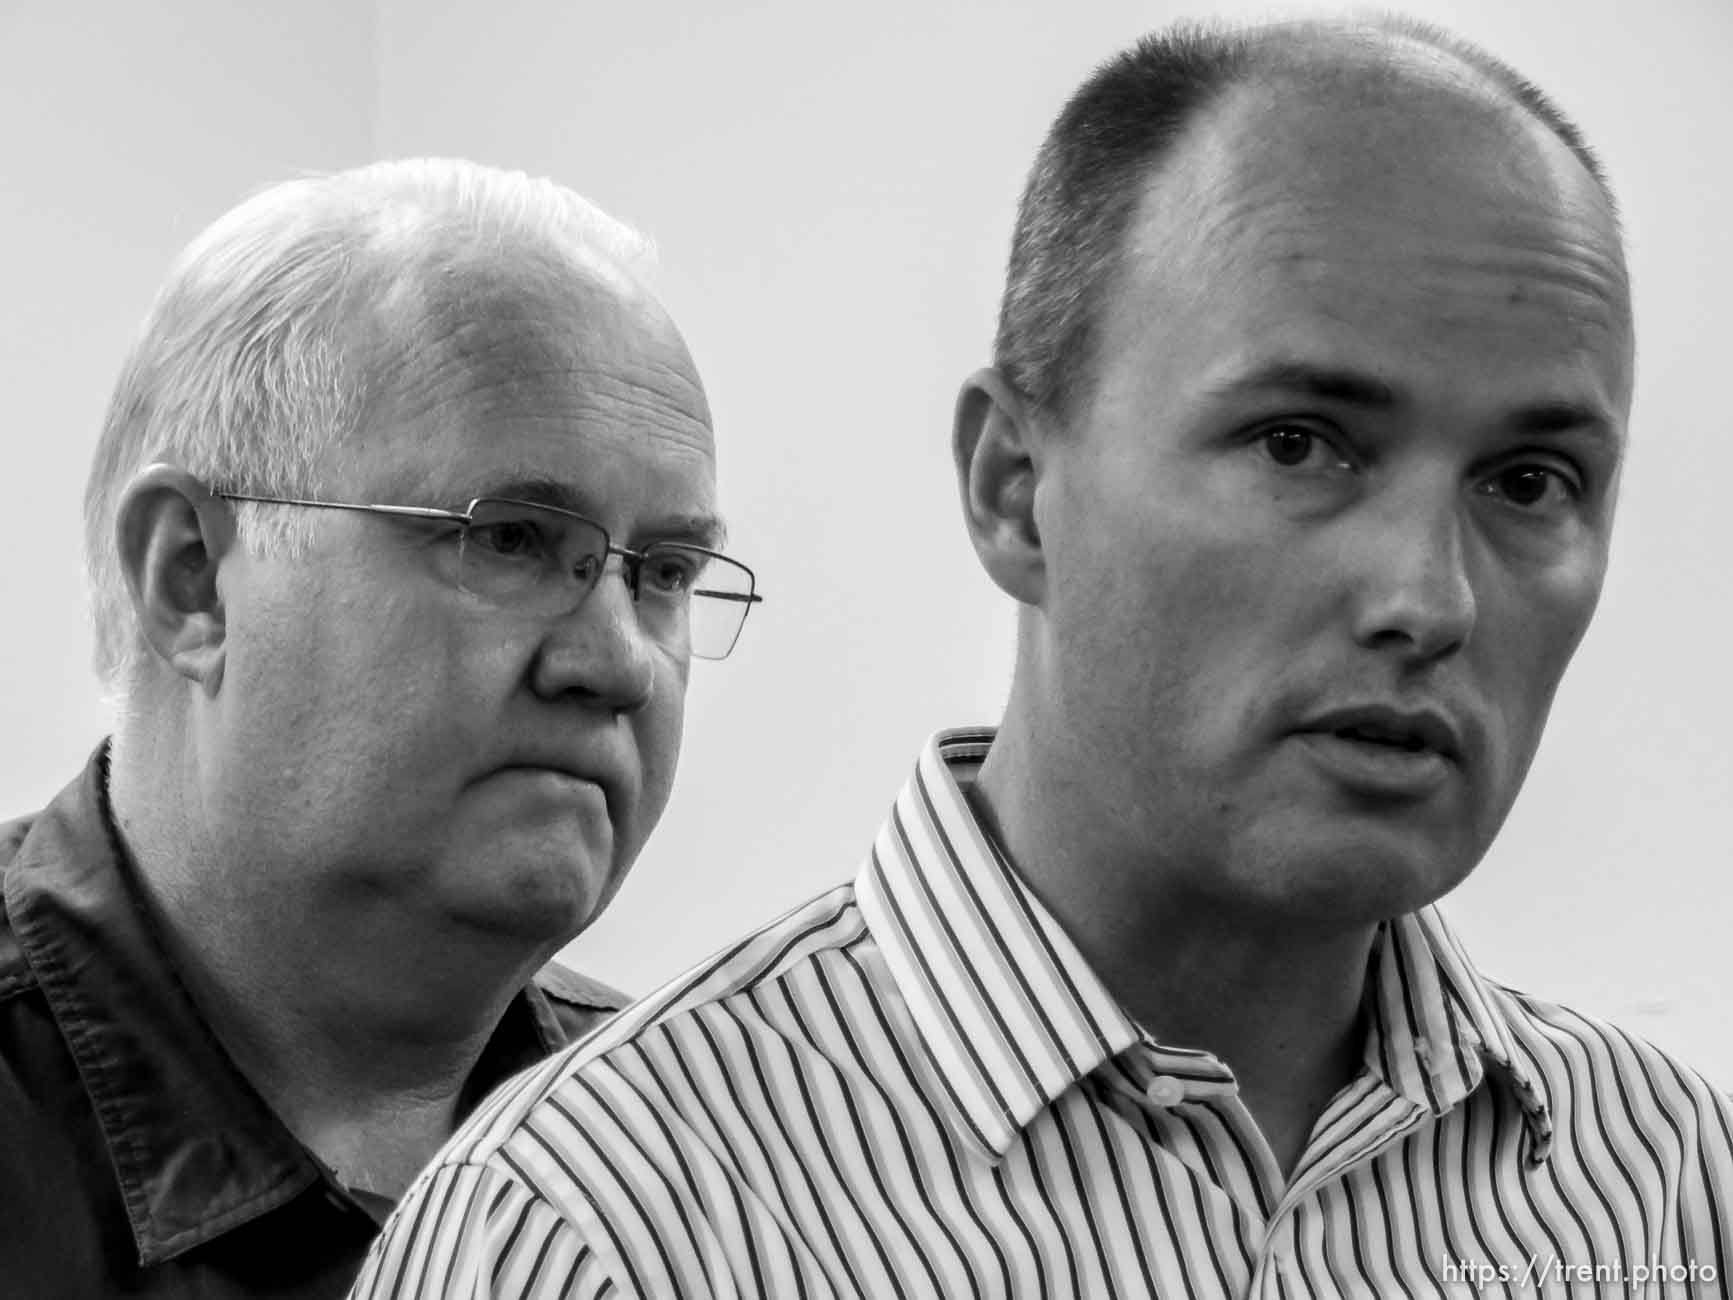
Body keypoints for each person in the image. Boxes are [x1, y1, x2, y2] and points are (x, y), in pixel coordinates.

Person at [352, 19, 1731, 1300]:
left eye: (1531, 480)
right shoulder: (598, 1233)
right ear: (1016, 488)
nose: (1428, 597)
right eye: (1299, 443)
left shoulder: (1662, 1187)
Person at [0, 158, 760, 1298]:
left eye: (662, 571)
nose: (613, 662)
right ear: (194, 579)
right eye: (508, 539)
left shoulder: (721, 1147)